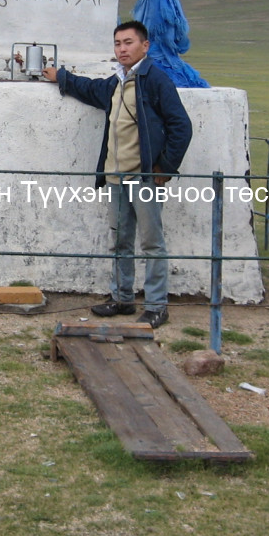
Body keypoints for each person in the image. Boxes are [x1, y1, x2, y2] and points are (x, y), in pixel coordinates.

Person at [40, 21, 193, 328]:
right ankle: (122, 298)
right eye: (118, 43)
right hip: (115, 176)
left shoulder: (156, 80)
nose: (122, 49)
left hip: (143, 178)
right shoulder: (116, 82)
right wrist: (61, 76)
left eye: (128, 42)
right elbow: (90, 89)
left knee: (152, 243)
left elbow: (181, 126)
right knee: (120, 241)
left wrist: (164, 167)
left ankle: (157, 306)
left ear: (145, 46)